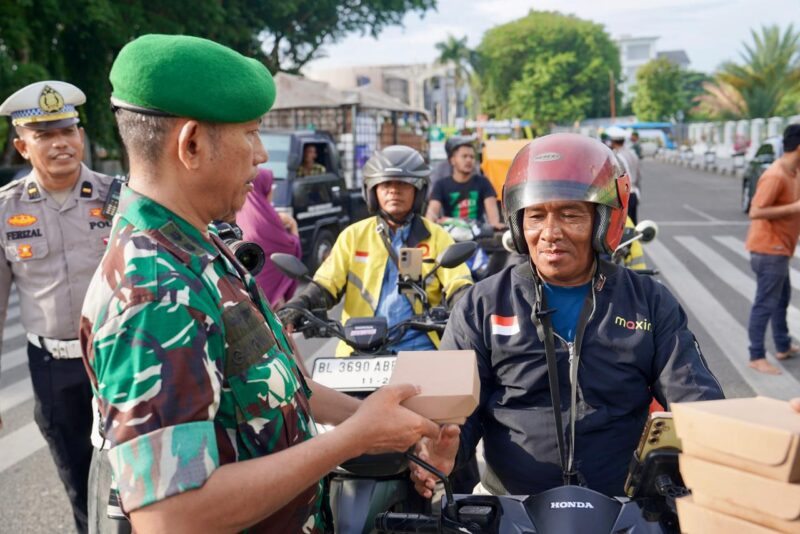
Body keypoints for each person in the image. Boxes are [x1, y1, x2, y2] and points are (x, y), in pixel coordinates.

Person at [80, 34, 445, 533]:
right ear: (190, 145)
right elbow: (173, 517)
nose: (260, 157)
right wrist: (351, 438)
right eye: (250, 134)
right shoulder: (156, 289)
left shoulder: (199, 246)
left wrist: (379, 424)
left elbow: (280, 388)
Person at [411, 133, 724, 499]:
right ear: (517, 223)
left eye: (570, 215)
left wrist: (720, 444)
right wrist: (441, 448)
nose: (550, 233)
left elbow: (696, 397)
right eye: (536, 216)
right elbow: (452, 412)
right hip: (509, 505)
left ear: (604, 222)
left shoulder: (648, 302)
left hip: (624, 505)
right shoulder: (481, 304)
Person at [0, 80, 114, 533]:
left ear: (81, 136)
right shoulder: (6, 210)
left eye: (67, 130)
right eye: (45, 135)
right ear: (22, 146)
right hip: (52, 367)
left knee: (136, 477)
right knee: (79, 482)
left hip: (117, 358)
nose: (60, 143)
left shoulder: (118, 197)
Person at [278, 145, 473, 356]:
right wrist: (300, 304)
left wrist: (466, 308)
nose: (393, 190)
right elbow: (327, 284)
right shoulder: (354, 235)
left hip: (420, 348)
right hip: (358, 347)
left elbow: (458, 283)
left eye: (403, 184)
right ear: (372, 191)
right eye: (385, 184)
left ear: (419, 191)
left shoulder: (436, 236)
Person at [744, 124, 800, 375]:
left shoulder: (793, 172)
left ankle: (783, 344)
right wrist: (794, 208)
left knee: (782, 298)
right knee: (766, 303)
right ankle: (756, 355)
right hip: (769, 250)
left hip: (781, 248)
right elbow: (756, 210)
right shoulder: (776, 175)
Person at [236, 168, 301, 307]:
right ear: (263, 187)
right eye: (270, 186)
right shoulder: (264, 218)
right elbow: (290, 248)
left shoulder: (242, 210)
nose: (273, 190)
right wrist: (293, 226)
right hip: (270, 294)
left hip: (248, 288)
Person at [425, 138, 503, 229]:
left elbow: (493, 218)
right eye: (464, 156)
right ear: (452, 160)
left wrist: (495, 225)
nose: (469, 160)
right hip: (451, 234)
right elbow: (431, 213)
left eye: (472, 157)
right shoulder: (440, 185)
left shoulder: (483, 182)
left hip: (478, 234)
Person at [607, 126, 642, 224]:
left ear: (613, 142)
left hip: (624, 196)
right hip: (634, 193)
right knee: (632, 226)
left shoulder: (616, 156)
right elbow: (639, 175)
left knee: (623, 228)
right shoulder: (633, 154)